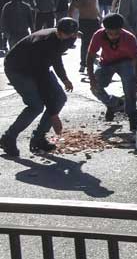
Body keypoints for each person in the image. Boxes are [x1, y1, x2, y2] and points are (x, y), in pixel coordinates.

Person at [0, 18, 80, 156]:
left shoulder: (70, 38)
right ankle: (8, 137)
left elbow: (56, 58)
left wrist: (65, 78)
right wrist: (54, 116)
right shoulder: (42, 43)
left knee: (60, 98)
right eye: (60, 33)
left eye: (67, 34)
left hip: (39, 67)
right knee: (36, 106)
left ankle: (38, 138)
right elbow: (42, 80)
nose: (62, 36)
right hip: (18, 69)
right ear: (57, 29)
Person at [87, 13, 137, 129]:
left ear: (121, 30)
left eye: (116, 33)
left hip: (125, 62)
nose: (112, 36)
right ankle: (114, 104)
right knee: (95, 87)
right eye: (109, 33)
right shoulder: (98, 35)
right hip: (106, 62)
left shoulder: (129, 38)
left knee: (129, 88)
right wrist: (91, 78)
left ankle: (132, 116)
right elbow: (90, 56)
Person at [69, 0, 130, 73]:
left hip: (94, 22)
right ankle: (83, 64)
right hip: (84, 22)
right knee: (85, 44)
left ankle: (103, 62)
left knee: (102, 40)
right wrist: (72, 26)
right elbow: (70, 12)